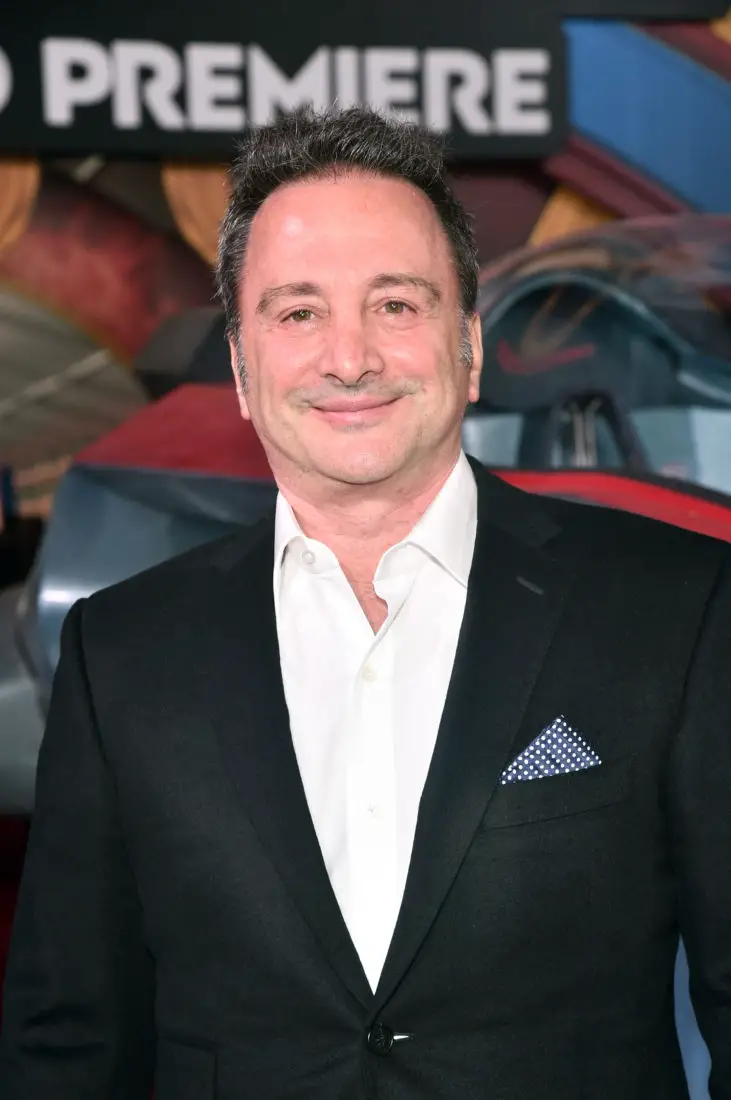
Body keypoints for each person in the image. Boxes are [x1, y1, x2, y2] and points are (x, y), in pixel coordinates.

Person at [1, 106, 730, 1100]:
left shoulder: (674, 608)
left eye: (394, 303)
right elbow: (69, 1043)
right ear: (242, 369)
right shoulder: (122, 649)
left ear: (468, 346)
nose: (348, 357)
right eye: (298, 312)